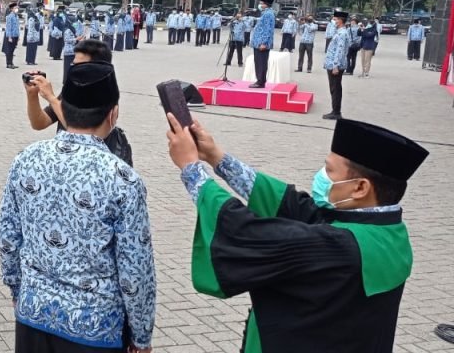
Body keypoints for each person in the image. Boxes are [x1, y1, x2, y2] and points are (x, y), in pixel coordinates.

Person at [164, 112, 428, 353]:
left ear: (360, 188)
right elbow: (293, 205)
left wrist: (191, 169)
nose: (321, 176)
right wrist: (216, 157)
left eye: (330, 171)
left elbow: (245, 232)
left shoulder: (339, 247)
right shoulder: (390, 233)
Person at [0, 60, 154, 353]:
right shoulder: (123, 178)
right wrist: (141, 333)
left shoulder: (26, 159)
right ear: (113, 113)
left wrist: (18, 289)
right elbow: (135, 267)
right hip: (96, 328)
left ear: (64, 107)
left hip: (33, 313)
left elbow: (8, 236)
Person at [24, 39, 133, 166]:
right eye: (73, 64)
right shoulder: (72, 90)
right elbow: (39, 123)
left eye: (80, 65)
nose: (74, 69)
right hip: (65, 161)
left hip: (95, 164)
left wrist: (51, 98)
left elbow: (82, 133)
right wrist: (32, 95)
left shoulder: (105, 94)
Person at [323, 11, 353, 120]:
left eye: (335, 19)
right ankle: (335, 110)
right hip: (333, 64)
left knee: (335, 89)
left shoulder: (342, 33)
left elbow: (340, 51)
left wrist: (335, 65)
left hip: (335, 65)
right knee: (334, 88)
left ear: (340, 20)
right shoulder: (339, 31)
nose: (334, 21)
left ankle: (336, 112)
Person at [249, 0, 276, 88]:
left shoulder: (268, 14)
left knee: (261, 63)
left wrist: (264, 43)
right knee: (259, 62)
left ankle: (260, 81)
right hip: (258, 42)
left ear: (266, 4)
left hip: (262, 43)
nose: (260, 5)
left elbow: (268, 29)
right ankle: (260, 80)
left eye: (261, 3)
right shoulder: (265, 13)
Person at [61, 15, 80, 82]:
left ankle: (70, 80)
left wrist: (78, 39)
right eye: (74, 22)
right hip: (68, 51)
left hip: (73, 51)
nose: (75, 23)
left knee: (72, 67)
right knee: (68, 67)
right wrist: (76, 39)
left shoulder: (72, 29)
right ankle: (66, 81)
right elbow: (67, 40)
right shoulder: (67, 30)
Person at [3, 3, 21, 69]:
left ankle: (11, 63)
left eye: (17, 8)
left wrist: (18, 36)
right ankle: (8, 64)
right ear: (12, 9)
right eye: (15, 8)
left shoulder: (16, 16)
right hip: (10, 36)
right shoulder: (9, 17)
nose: (17, 9)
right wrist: (9, 37)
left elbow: (17, 27)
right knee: (9, 50)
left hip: (15, 35)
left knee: (12, 50)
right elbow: (8, 27)